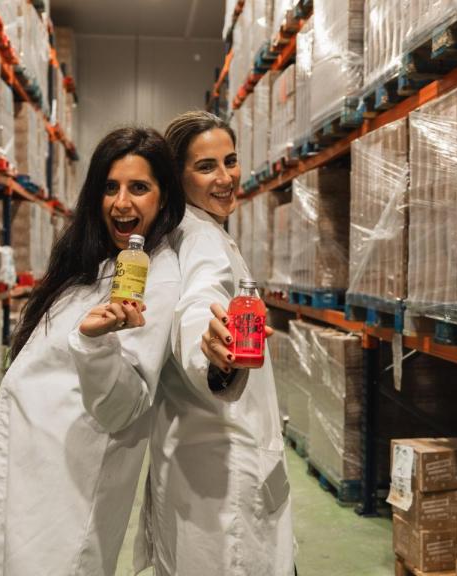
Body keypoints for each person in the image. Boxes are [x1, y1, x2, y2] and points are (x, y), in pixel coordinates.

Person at [0, 127, 185, 576]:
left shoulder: (157, 279)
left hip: (65, 494)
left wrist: (95, 345)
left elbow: (125, 406)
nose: (121, 203)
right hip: (27, 477)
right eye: (110, 187)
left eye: (139, 188)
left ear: (163, 198)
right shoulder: (95, 267)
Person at [134, 111, 294, 575]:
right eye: (206, 167)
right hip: (218, 478)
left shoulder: (200, 232)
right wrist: (213, 355)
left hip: (198, 466)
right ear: (176, 178)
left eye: (230, 161)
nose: (225, 178)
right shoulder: (200, 239)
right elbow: (199, 305)